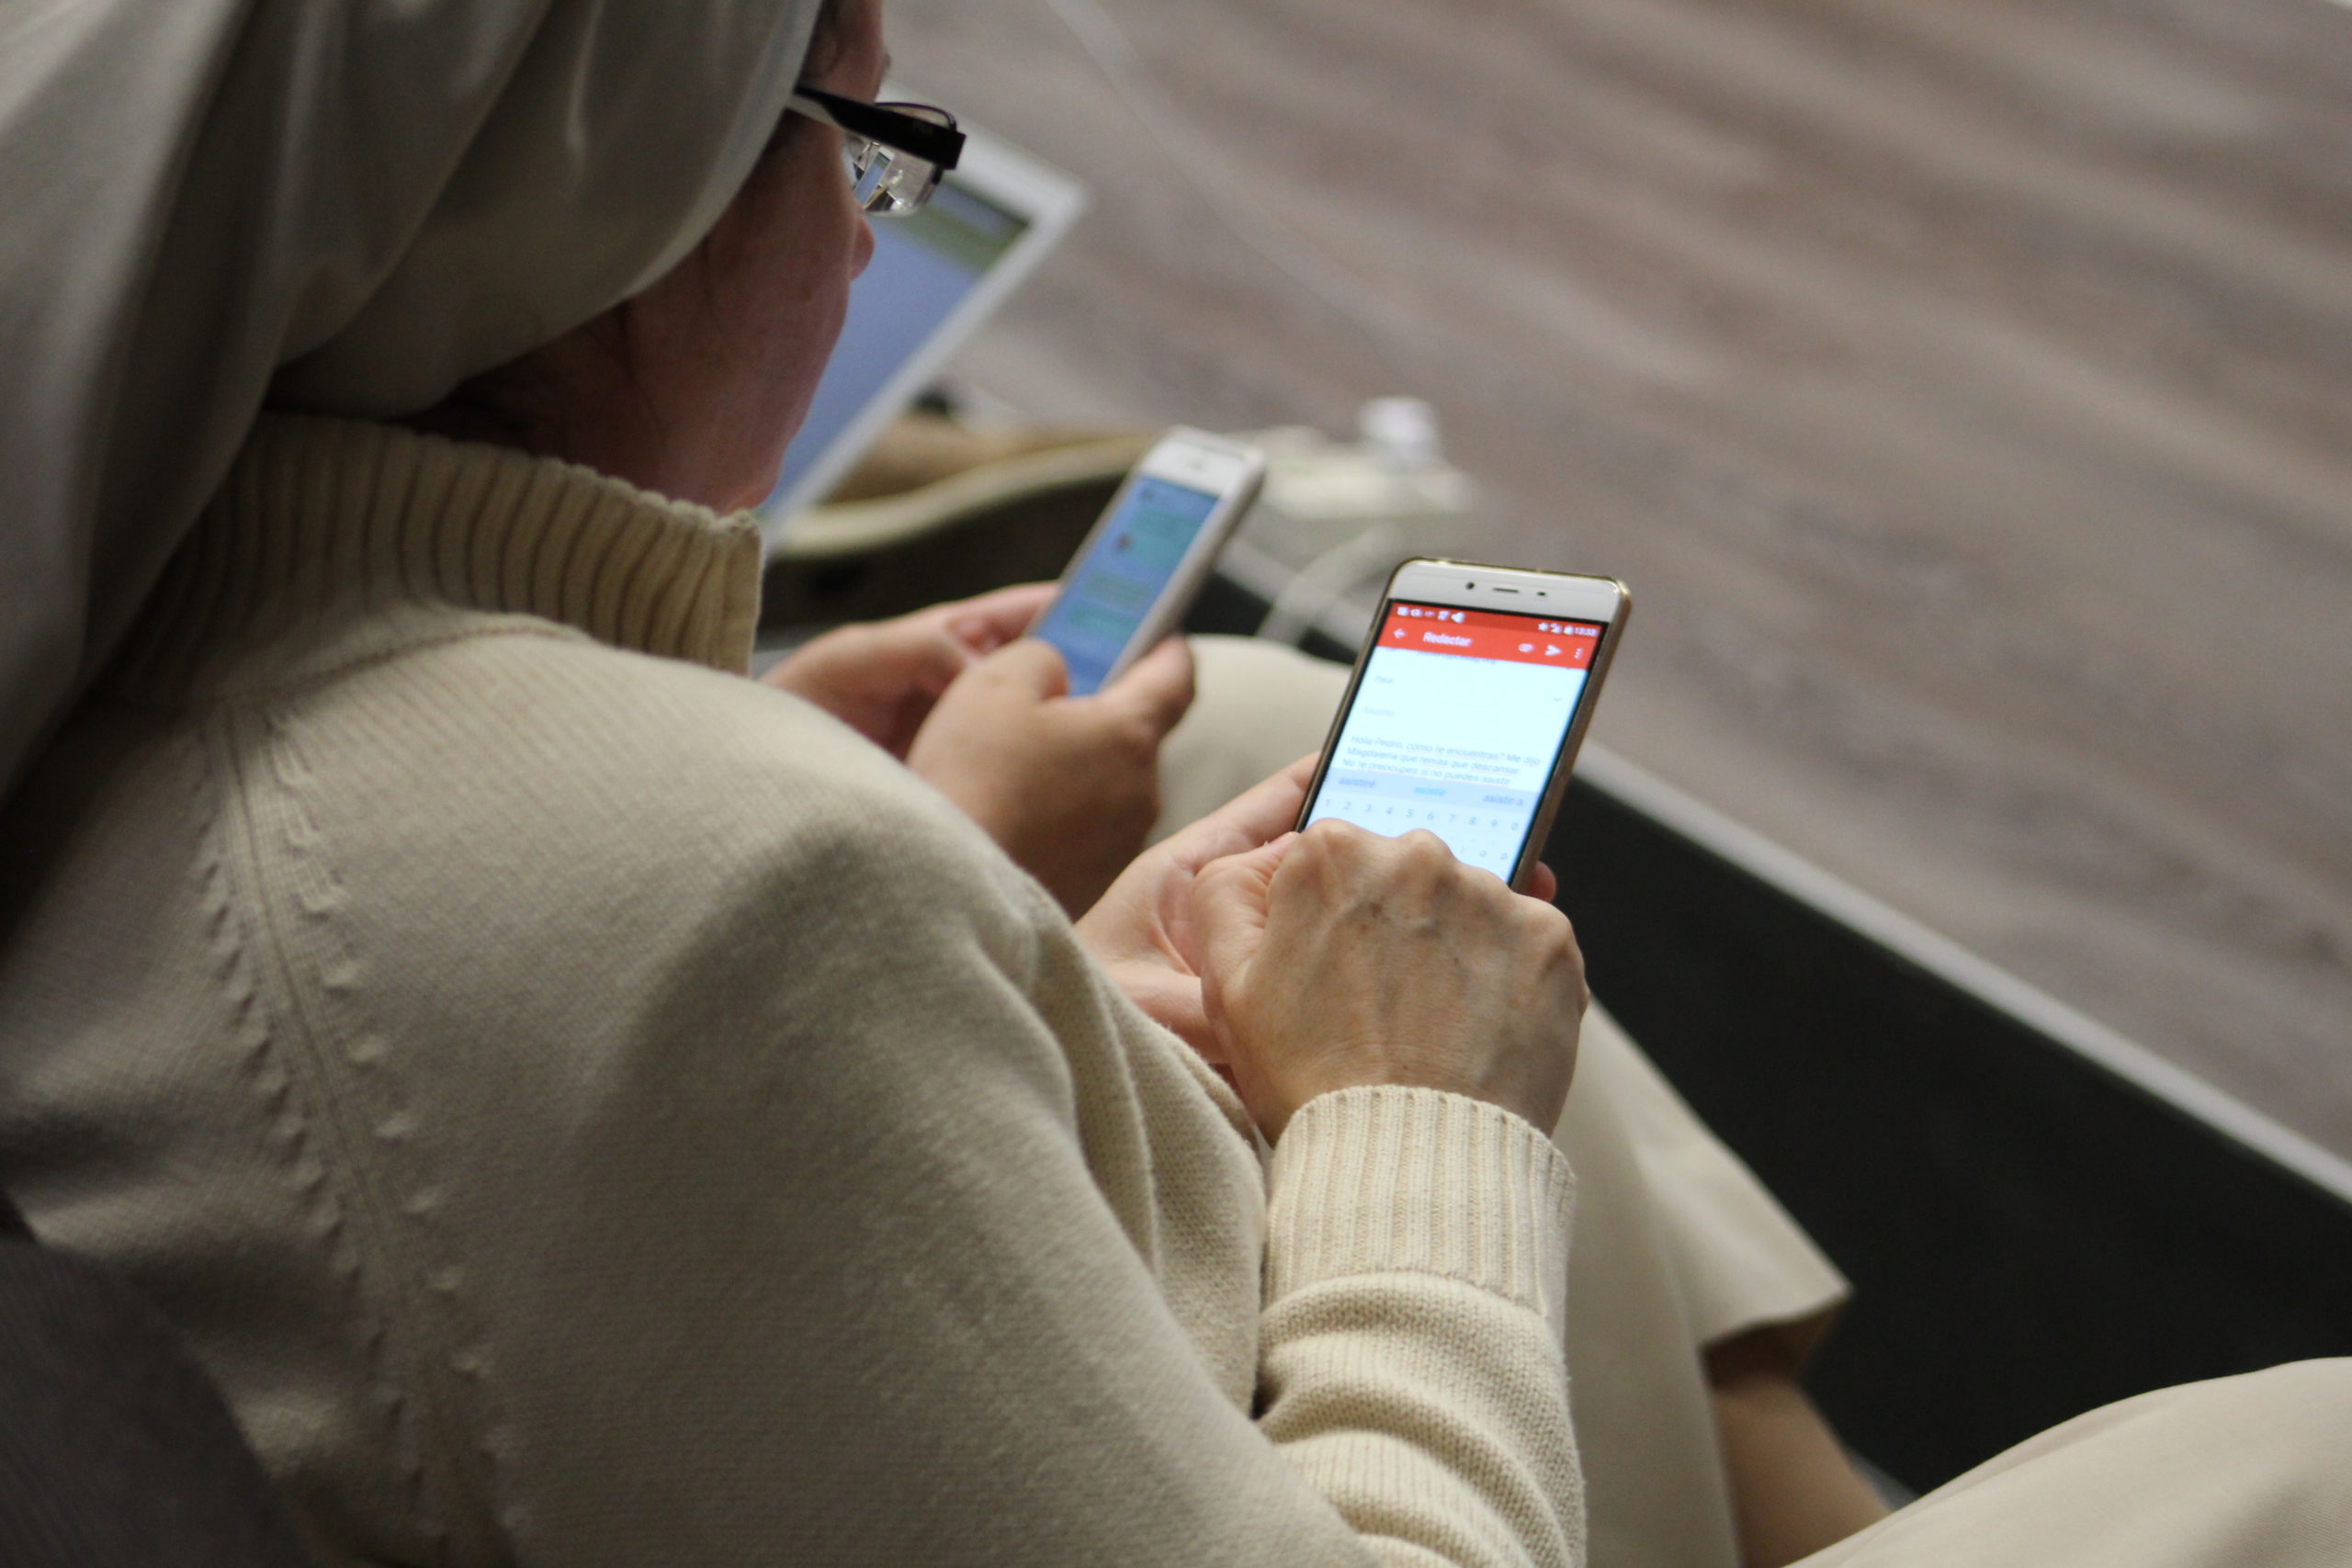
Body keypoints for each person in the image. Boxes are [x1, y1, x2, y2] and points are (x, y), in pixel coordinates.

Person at [1, 3, 2345, 1566]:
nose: (864, 231)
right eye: (869, 148)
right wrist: (1411, 1116)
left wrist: (1025, 986)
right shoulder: (685, 884)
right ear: (614, 238)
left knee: (1234, 750)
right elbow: (629, 985)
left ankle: (1809, 1512)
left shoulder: (137, 642)